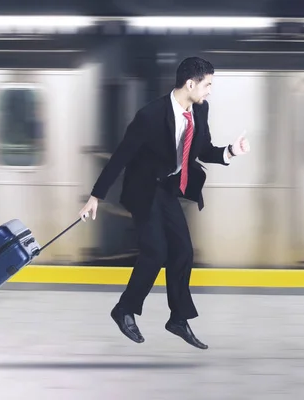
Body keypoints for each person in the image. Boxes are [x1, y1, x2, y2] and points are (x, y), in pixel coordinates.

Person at [79, 57, 250, 350]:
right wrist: (95, 197)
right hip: (143, 190)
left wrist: (231, 151)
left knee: (183, 250)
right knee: (156, 250)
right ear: (190, 83)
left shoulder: (200, 109)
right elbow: (121, 156)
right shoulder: (150, 116)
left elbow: (204, 150)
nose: (209, 91)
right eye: (207, 85)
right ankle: (124, 309)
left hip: (168, 188)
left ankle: (178, 319)